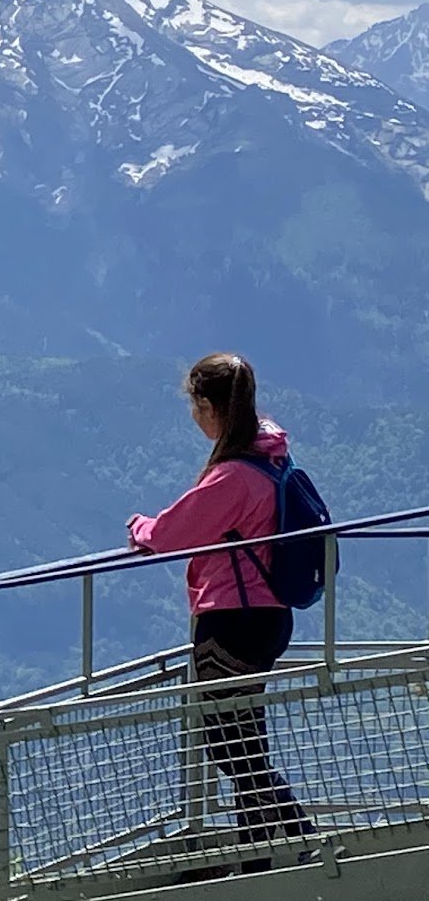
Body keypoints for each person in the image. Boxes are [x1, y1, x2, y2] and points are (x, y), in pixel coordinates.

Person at [126, 352, 315, 851]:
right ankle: (264, 849)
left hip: (231, 620)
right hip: (272, 615)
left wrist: (139, 527)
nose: (193, 416)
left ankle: (299, 837)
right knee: (246, 738)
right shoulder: (272, 454)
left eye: (195, 405)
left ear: (211, 408)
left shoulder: (234, 476)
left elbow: (173, 533)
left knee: (231, 746)